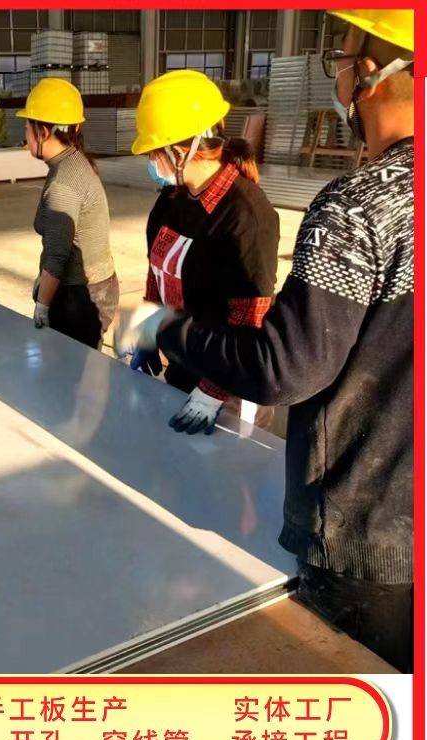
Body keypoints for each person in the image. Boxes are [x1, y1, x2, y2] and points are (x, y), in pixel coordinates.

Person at [118, 9, 414, 671]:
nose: (338, 75)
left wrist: (170, 334)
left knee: (360, 688)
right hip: (401, 501)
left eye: (340, 58)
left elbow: (283, 365)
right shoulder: (171, 203)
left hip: (364, 522)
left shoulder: (353, 208)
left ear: (370, 73)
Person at [128, 70, 279, 434]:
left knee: (227, 467)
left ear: (179, 151)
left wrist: (213, 391)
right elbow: (156, 273)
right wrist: (148, 331)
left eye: (152, 153)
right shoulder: (172, 200)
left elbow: (251, 317)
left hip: (230, 389)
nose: (150, 162)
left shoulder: (247, 216)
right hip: (184, 367)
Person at [17, 78, 119, 350]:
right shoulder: (73, 161)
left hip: (80, 299)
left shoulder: (63, 184)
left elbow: (56, 258)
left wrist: (42, 305)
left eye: (27, 126)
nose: (25, 135)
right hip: (95, 289)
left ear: (42, 132)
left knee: (69, 369)